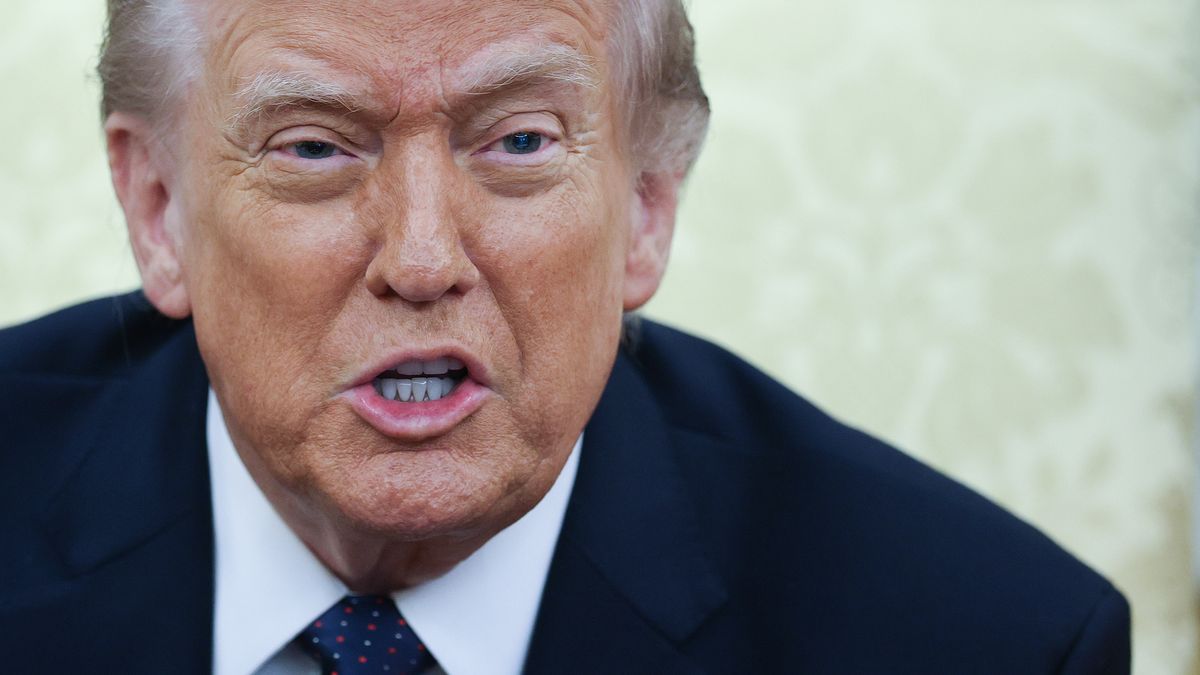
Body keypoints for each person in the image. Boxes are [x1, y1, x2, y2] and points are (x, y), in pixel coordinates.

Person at [0, 0, 1130, 673]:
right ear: (159, 211)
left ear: (647, 206)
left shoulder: (984, 641)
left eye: (521, 142)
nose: (424, 258)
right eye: (312, 148)